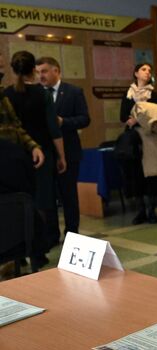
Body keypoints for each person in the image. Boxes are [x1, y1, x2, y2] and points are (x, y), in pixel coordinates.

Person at [4, 50, 66, 264]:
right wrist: (62, 156)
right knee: (42, 202)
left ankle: (17, 254)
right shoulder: (43, 94)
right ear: (33, 70)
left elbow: (14, 128)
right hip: (42, 154)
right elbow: (53, 129)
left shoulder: (7, 94)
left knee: (16, 204)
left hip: (13, 158)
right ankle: (39, 250)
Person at [36, 56, 90, 238]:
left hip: (69, 152)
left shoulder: (73, 92)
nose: (40, 76)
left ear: (56, 71)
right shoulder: (36, 93)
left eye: (44, 71)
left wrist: (63, 121)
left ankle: (72, 234)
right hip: (46, 154)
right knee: (48, 197)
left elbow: (84, 119)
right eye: (37, 72)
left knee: (69, 196)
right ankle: (52, 234)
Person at [120, 63, 157, 224]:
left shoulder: (154, 94)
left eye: (149, 70)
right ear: (136, 73)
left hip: (150, 138)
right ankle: (140, 210)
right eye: (143, 70)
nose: (147, 72)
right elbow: (123, 116)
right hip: (133, 139)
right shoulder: (128, 94)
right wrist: (130, 120)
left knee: (151, 174)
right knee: (135, 174)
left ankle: (152, 210)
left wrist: (138, 119)